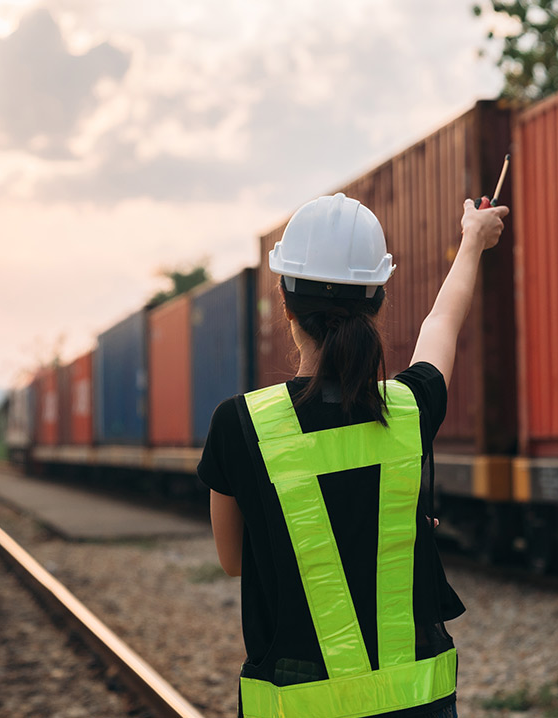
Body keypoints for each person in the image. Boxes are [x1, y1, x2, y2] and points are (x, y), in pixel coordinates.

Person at [197, 192, 509, 718]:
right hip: (418, 702)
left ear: (286, 303)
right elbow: (441, 324)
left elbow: (234, 561)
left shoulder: (239, 423)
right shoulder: (409, 409)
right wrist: (472, 240)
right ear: (377, 303)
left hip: (297, 704)